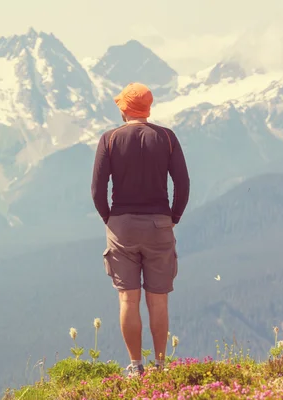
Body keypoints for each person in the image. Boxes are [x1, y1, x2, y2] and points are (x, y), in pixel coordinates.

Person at [91, 82, 190, 377]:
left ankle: (136, 366)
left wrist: (109, 218)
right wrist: (174, 217)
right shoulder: (167, 138)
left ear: (123, 109)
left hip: (122, 226)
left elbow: (98, 189)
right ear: (148, 107)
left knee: (128, 298)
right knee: (158, 300)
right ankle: (160, 366)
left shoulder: (109, 139)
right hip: (160, 223)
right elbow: (182, 183)